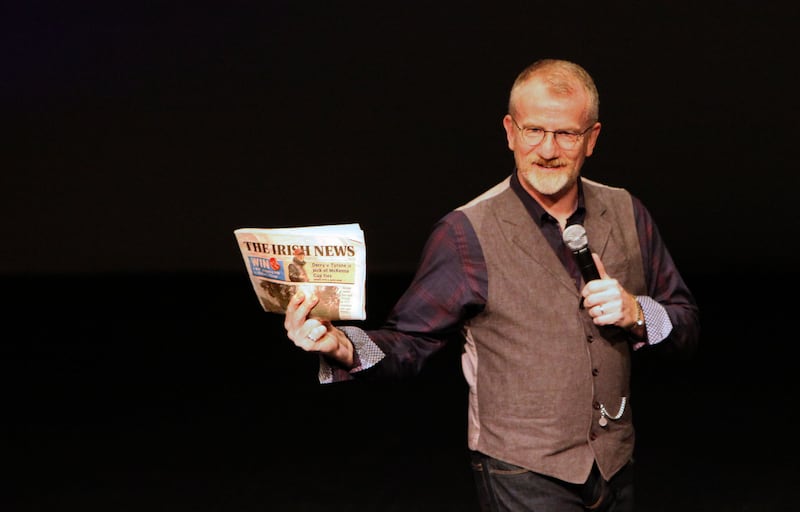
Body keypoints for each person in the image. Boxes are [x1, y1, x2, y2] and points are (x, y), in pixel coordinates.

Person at [283, 59, 700, 511]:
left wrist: (637, 313)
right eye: (533, 130)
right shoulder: (465, 233)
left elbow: (686, 324)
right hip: (520, 470)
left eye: (566, 134)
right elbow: (410, 340)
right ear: (509, 132)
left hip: (616, 463)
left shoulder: (626, 212)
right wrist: (339, 345)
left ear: (592, 139)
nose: (547, 149)